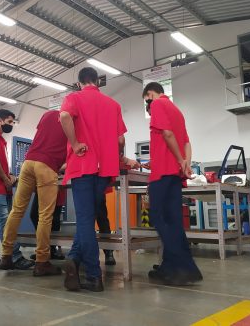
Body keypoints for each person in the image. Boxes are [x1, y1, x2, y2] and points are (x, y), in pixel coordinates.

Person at [59, 67, 133, 292]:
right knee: (89, 219)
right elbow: (120, 140)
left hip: (83, 165)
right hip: (105, 170)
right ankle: (73, 258)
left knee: (84, 222)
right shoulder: (113, 105)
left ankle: (93, 275)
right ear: (97, 83)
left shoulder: (74, 98)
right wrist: (114, 156)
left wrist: (74, 144)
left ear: (80, 83)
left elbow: (63, 117)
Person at [142, 82, 203, 285]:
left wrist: (179, 160)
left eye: (146, 100)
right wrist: (185, 164)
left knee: (159, 219)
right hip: (175, 175)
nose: (148, 106)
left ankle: (185, 266)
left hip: (162, 175)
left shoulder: (158, 104)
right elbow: (186, 141)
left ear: (150, 94)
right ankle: (169, 268)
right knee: (174, 222)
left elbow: (167, 134)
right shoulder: (177, 111)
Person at [0, 110, 67, 276]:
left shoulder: (48, 114)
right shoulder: (72, 120)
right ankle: (42, 261)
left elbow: (42, 134)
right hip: (47, 166)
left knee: (16, 210)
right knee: (45, 215)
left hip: (28, 163)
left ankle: (6, 256)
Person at [0, 109, 34, 270]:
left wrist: (9, 175)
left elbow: (0, 162)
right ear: (0, 121)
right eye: (10, 122)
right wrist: (4, 178)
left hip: (0, 185)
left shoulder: (1, 140)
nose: (11, 125)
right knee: (4, 222)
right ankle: (15, 256)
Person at [29, 189, 66, 261]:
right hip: (42, 187)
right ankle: (43, 248)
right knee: (34, 215)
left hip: (56, 186)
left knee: (54, 218)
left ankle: (51, 250)